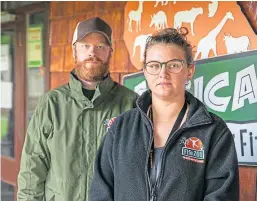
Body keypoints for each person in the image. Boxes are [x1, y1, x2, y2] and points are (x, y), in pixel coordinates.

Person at [90, 27, 239, 201]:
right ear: (145, 71)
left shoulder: (213, 131)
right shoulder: (120, 129)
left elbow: (222, 196)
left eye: (173, 65)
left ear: (189, 71)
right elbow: (101, 192)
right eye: (154, 65)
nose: (163, 73)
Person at [17, 17, 138, 201]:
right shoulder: (51, 104)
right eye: (85, 46)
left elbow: (140, 172)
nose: (92, 52)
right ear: (74, 50)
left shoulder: (130, 104)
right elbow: (32, 172)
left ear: (110, 52)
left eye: (100, 46)